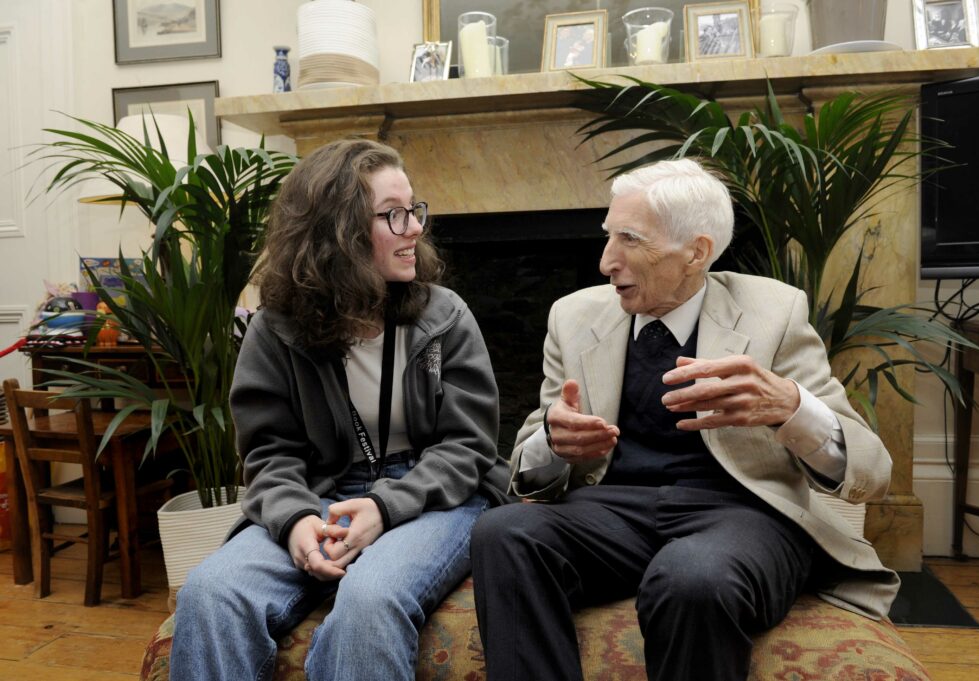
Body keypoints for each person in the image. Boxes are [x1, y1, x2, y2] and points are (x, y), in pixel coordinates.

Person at [470, 158, 899, 681]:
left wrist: (790, 406)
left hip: (742, 513)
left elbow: (872, 470)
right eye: (608, 236)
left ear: (696, 252)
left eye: (629, 239)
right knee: (503, 531)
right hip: (612, 512)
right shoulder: (574, 316)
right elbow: (529, 463)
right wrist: (553, 444)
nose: (606, 261)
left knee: (692, 576)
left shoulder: (774, 312)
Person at [170, 139, 509, 681]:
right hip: (320, 492)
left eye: (413, 209)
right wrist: (296, 519)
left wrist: (383, 506)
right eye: (392, 215)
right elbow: (269, 451)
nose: (414, 228)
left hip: (434, 495)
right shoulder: (275, 328)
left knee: (370, 597)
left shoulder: (446, 317)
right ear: (340, 234)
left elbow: (469, 447)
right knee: (211, 592)